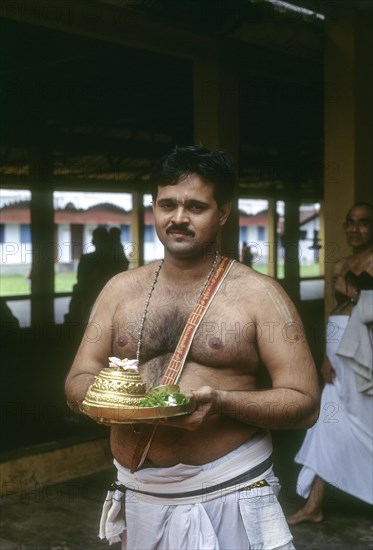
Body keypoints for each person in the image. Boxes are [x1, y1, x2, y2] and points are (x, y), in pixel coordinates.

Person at [65, 145, 319, 550]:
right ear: (154, 208)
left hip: (228, 491)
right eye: (167, 204)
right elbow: (79, 378)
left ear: (222, 213)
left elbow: (305, 403)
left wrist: (221, 401)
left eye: (196, 207)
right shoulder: (119, 291)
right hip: (139, 493)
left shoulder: (259, 295)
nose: (178, 218)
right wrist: (114, 404)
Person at [286, 202, 373, 525]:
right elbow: (330, 311)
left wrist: (350, 291)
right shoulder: (342, 263)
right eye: (350, 222)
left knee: (365, 424)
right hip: (337, 348)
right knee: (328, 421)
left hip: (363, 350)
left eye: (363, 223)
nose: (354, 229)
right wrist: (324, 355)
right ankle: (315, 504)